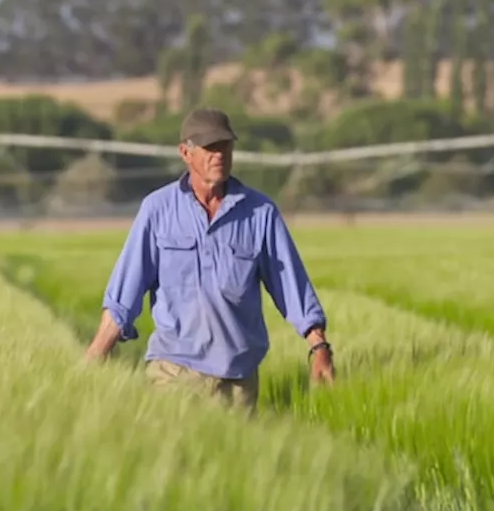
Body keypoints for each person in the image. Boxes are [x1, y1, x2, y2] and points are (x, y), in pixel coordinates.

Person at [84, 107, 334, 412]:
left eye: (225, 146)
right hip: (173, 372)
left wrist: (319, 347)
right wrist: (94, 357)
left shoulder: (260, 213)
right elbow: (125, 292)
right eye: (210, 147)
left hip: (239, 382)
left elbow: (291, 286)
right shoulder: (158, 210)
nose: (219, 155)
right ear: (185, 153)